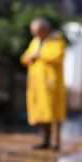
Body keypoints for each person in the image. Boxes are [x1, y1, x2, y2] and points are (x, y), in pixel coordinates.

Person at [20, 18, 66, 151]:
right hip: (37, 84)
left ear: (45, 30)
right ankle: (44, 140)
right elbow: (25, 57)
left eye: (37, 32)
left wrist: (38, 56)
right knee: (41, 112)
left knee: (54, 114)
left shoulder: (57, 41)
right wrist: (30, 58)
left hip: (51, 84)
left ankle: (55, 142)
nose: (35, 35)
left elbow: (57, 57)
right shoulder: (35, 42)